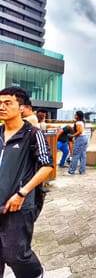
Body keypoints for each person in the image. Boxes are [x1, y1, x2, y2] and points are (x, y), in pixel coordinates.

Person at [0, 86, 53, 277]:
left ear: (21, 107)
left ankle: (36, 273)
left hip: (18, 205)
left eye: (7, 103)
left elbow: (47, 165)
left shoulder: (32, 133)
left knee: (16, 255)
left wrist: (22, 193)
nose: (2, 107)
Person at [64, 111, 88, 175]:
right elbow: (79, 130)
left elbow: (80, 131)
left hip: (80, 139)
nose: (74, 115)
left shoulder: (78, 122)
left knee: (75, 155)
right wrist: (71, 127)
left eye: (75, 114)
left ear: (78, 116)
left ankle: (71, 171)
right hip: (84, 138)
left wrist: (72, 135)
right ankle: (82, 171)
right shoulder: (82, 122)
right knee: (83, 155)